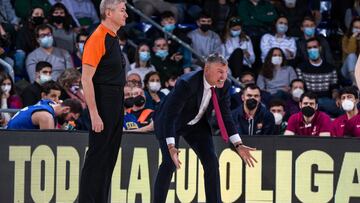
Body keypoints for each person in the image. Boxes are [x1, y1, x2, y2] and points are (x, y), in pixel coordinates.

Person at [153, 53, 256, 203]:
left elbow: (226, 116)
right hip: (170, 122)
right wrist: (170, 145)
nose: (223, 76)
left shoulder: (225, 85)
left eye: (225, 71)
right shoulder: (186, 83)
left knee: (211, 162)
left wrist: (238, 144)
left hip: (196, 123)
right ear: (207, 69)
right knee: (169, 163)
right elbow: (171, 114)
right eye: (219, 72)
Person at [79, 0, 128, 202]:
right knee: (98, 157)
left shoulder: (113, 37)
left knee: (109, 157)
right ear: (109, 12)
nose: (126, 14)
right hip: (103, 102)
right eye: (123, 10)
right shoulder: (98, 37)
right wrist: (94, 113)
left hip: (115, 101)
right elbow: (86, 78)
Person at [296, 37, 340, 117]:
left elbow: (334, 87)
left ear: (320, 48)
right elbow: (301, 88)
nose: (312, 50)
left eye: (315, 47)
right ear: (306, 50)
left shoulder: (330, 68)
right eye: (309, 48)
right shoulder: (301, 68)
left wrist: (336, 98)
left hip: (327, 101)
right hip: (309, 101)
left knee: (343, 108)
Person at [6, 98, 81, 129]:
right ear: (66, 109)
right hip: (10, 142)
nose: (70, 121)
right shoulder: (46, 116)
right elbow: (48, 145)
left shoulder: (48, 103)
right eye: (71, 118)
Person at [341, 17, 360, 85]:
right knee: (352, 56)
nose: (358, 30)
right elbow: (350, 51)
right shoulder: (346, 39)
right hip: (347, 72)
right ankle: (356, 83)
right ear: (352, 28)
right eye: (356, 27)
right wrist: (353, 38)